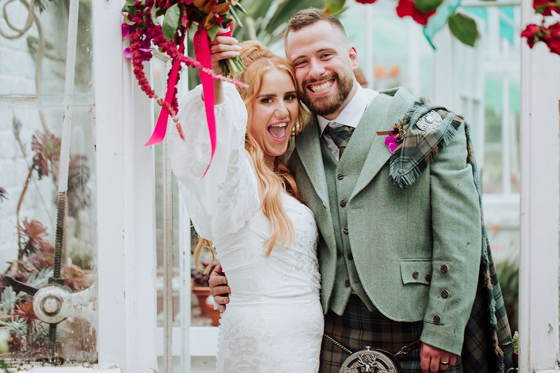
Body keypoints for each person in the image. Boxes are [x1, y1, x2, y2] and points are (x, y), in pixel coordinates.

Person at [209, 8, 514, 373]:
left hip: (419, 329)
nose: (316, 70)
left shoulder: (424, 127)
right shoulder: (291, 142)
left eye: (325, 55)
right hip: (330, 332)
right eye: (301, 62)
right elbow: (259, 208)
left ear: (351, 56)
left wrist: (444, 331)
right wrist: (228, 271)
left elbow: (459, 238)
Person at [170, 39, 323, 372]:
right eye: (266, 99)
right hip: (265, 344)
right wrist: (214, 79)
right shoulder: (235, 169)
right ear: (243, 108)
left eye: (289, 97)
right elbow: (217, 131)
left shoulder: (284, 170)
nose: (282, 111)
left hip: (304, 344)